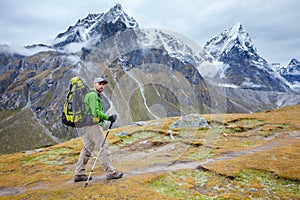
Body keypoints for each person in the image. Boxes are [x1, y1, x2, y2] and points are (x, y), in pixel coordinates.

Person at [74, 75, 123, 182]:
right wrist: (108, 118)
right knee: (103, 147)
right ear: (95, 84)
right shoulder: (92, 95)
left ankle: (79, 173)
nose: (102, 86)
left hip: (88, 126)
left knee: (87, 149)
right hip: (93, 125)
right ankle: (110, 173)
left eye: (103, 84)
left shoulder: (91, 94)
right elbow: (95, 112)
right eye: (100, 84)